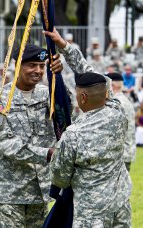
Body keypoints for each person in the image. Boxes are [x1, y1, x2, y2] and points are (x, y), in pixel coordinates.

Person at [44, 27, 132, 227]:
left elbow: (61, 178)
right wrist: (65, 47)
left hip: (90, 212)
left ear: (82, 97)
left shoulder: (73, 134)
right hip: (119, 205)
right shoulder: (118, 112)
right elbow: (98, 79)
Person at [0, 44, 63, 227]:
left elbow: (66, 114)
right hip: (9, 194)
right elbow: (4, 142)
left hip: (41, 191)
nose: (38, 71)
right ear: (17, 65)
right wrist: (47, 153)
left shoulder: (48, 94)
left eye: (42, 66)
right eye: (32, 65)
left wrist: (58, 78)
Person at [107, 72, 136, 172]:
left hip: (118, 156)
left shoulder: (116, 103)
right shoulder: (125, 101)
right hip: (125, 153)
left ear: (111, 85)